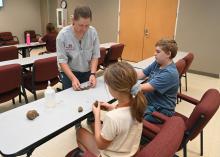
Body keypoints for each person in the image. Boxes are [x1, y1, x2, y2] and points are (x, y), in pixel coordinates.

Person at [75, 62, 147, 157]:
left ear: (115, 89)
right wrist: (113, 107)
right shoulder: (139, 104)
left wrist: (97, 116)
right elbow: (125, 115)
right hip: (131, 152)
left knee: (80, 133)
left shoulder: (112, 117)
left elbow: (100, 145)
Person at [56, 6, 100, 90]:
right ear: (73, 20)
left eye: (87, 25)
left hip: (87, 72)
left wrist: (93, 74)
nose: (84, 29)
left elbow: (95, 55)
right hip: (69, 73)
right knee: (70, 99)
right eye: (80, 25)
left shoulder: (92, 32)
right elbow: (62, 60)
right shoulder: (63, 35)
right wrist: (72, 78)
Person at [137, 39, 179, 124]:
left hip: (160, 110)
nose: (154, 54)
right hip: (150, 103)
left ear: (168, 54)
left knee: (128, 117)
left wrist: (122, 83)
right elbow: (141, 74)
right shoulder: (158, 63)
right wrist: (124, 73)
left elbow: (143, 88)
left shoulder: (169, 73)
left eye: (158, 51)